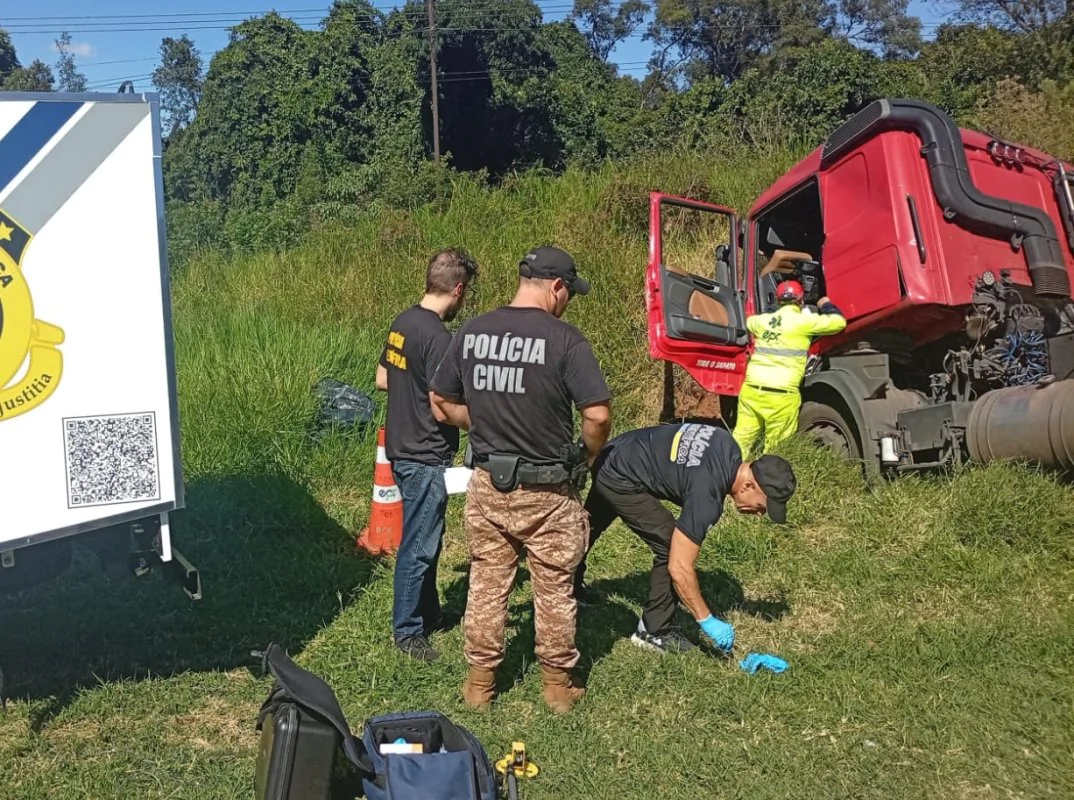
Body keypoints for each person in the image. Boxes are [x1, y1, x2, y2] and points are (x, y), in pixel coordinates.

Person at [430, 245, 611, 714]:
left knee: (487, 584)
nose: (568, 301)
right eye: (569, 292)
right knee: (554, 587)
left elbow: (440, 401)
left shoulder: (472, 330)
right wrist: (586, 456)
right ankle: (557, 688)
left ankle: (479, 687)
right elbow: (597, 415)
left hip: (489, 483)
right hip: (549, 491)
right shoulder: (567, 340)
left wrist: (482, 421)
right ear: (555, 287)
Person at [574, 422, 797, 654]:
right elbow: (679, 566)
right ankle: (653, 631)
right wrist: (707, 620)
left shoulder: (726, 442)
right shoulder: (707, 496)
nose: (760, 514)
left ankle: (564, 583)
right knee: (670, 545)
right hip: (619, 474)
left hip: (615, 451)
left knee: (585, 527)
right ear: (749, 485)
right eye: (762, 506)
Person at [376, 247, 479, 663]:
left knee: (427, 537)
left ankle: (430, 612)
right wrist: (482, 422)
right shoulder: (438, 337)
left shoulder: (404, 321)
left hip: (401, 446)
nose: (463, 301)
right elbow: (443, 403)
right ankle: (408, 631)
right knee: (418, 544)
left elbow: (384, 378)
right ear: (457, 288)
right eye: (465, 294)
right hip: (423, 454)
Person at [732, 277, 847, 458]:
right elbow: (839, 323)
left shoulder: (762, 322)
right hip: (781, 396)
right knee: (774, 449)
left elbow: (749, 322)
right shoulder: (804, 322)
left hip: (752, 391)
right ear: (801, 301)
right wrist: (825, 304)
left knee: (741, 440)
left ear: (779, 301)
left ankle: (729, 478)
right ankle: (763, 482)